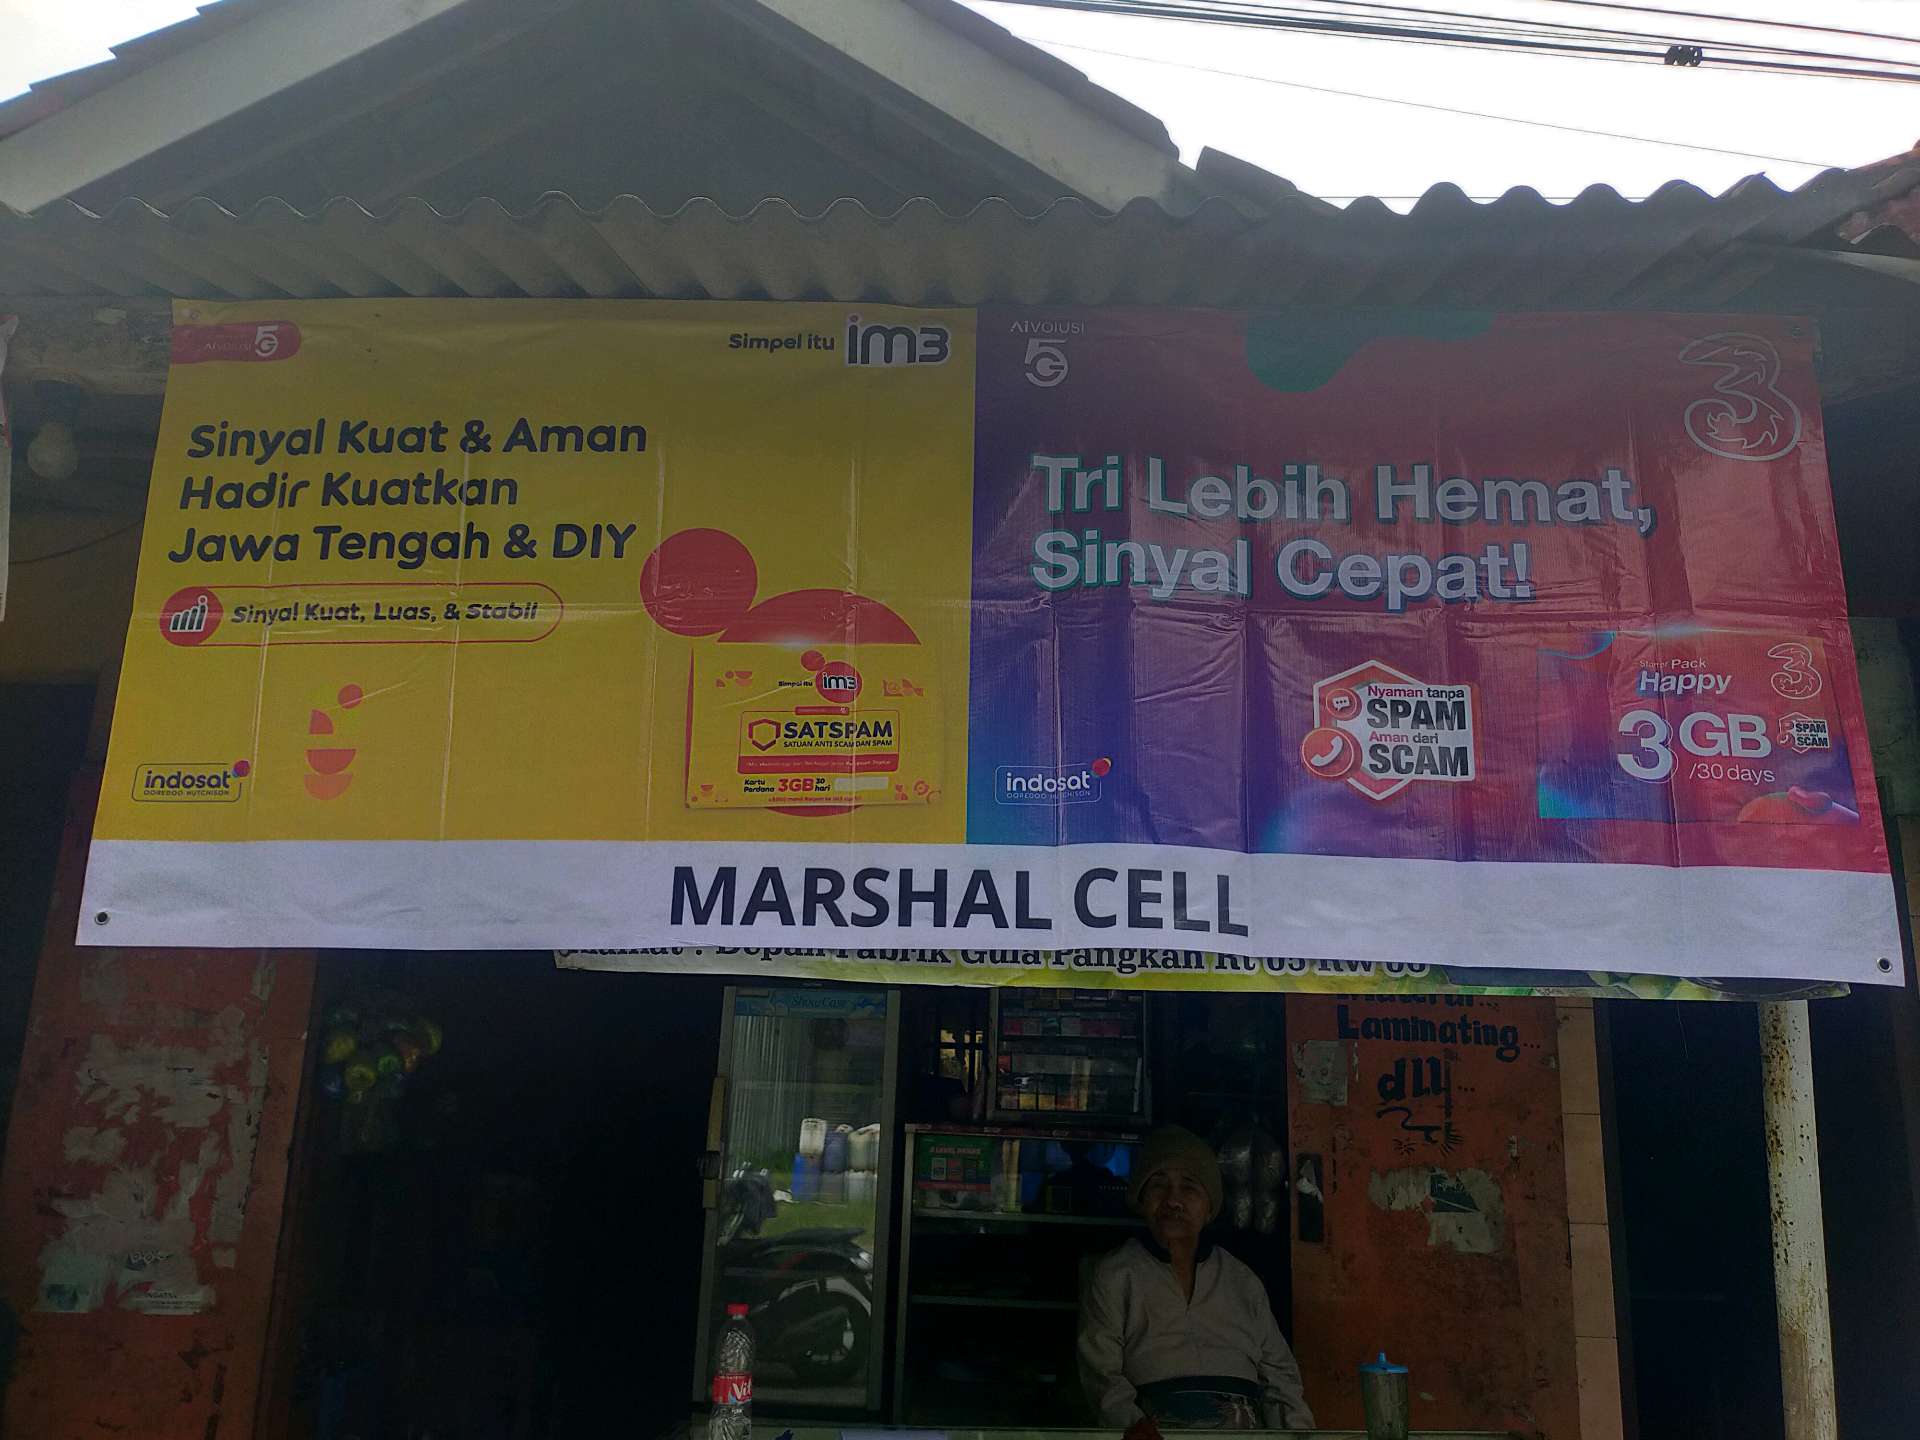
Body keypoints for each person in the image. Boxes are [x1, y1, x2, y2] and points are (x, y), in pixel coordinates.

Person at [1078, 1126, 1314, 1434]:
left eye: (1189, 1187)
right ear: (1140, 1198)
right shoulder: (1116, 1274)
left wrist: (1297, 1433)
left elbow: (1280, 1375)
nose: (1173, 1200)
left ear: (1209, 1207)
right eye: (1158, 1185)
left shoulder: (1241, 1279)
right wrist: (1135, 1428)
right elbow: (1101, 1375)